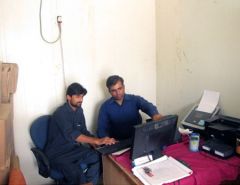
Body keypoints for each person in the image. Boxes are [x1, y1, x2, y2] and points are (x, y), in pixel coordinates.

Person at [44, 82, 116, 185]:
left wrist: (95, 144)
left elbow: (83, 131)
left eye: (82, 96)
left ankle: (90, 183)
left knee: (98, 156)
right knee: (76, 174)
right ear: (68, 97)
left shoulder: (79, 110)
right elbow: (72, 135)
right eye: (77, 96)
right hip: (58, 154)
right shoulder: (60, 113)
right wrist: (97, 140)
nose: (81, 99)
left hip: (73, 150)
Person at [97, 75, 163, 140]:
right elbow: (101, 129)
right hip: (118, 142)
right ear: (109, 91)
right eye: (113, 90)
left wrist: (155, 115)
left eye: (119, 88)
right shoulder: (105, 107)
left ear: (124, 87)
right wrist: (106, 139)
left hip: (138, 138)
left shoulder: (134, 99)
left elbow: (147, 106)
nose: (117, 93)